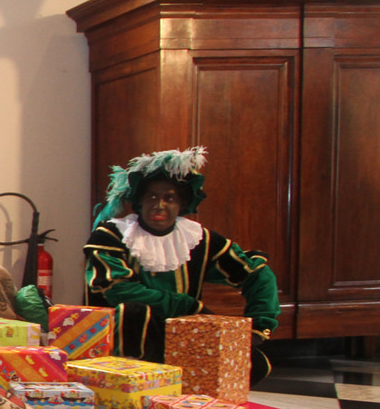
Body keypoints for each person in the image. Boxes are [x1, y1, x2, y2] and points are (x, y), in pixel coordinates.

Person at [84, 146, 279, 385]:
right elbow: (117, 290)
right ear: (140, 201)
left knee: (253, 364)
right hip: (123, 336)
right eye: (152, 197)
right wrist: (189, 307)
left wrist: (259, 325)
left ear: (182, 204)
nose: (159, 205)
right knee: (135, 312)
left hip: (185, 334)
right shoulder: (111, 235)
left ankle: (183, 380)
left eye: (169, 198)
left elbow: (257, 273)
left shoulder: (198, 239)